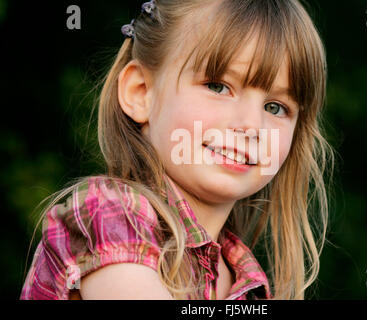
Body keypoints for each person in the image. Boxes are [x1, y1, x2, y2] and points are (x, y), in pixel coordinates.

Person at [20, 0, 334, 300]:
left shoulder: (247, 281)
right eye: (217, 86)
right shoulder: (110, 212)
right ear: (140, 93)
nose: (251, 125)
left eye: (276, 107)